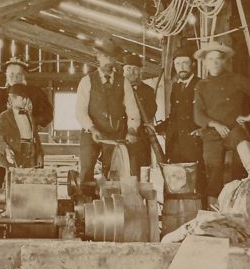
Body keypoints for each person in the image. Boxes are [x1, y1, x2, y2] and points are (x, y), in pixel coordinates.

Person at [193, 41, 250, 206]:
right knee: (213, 174)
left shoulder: (236, 79)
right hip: (212, 135)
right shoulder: (201, 85)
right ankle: (212, 214)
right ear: (205, 62)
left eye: (218, 59)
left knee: (241, 147)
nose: (214, 63)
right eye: (210, 59)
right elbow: (198, 115)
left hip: (233, 130)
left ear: (224, 61)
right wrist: (214, 124)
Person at [75, 38, 141, 183]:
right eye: (105, 56)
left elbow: (132, 111)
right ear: (97, 57)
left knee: (113, 173)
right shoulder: (87, 81)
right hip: (91, 133)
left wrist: (132, 130)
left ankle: (111, 203)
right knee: (86, 169)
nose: (108, 61)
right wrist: (92, 129)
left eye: (111, 57)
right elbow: (80, 112)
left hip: (115, 134)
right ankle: (86, 201)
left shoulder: (123, 82)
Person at [155, 44, 205, 187]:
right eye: (177, 63)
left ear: (193, 64)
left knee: (196, 183)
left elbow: (212, 113)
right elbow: (174, 116)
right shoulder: (176, 87)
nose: (181, 67)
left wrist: (203, 130)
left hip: (194, 143)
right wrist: (158, 128)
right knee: (175, 184)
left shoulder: (201, 84)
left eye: (185, 63)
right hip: (175, 144)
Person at [0, 57, 54, 129]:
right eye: (11, 75)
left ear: (23, 76)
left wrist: (31, 121)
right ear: (7, 76)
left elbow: (48, 114)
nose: (15, 78)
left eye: (18, 74)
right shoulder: (0, 94)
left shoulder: (36, 93)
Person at [0, 84, 44, 170]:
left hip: (31, 156)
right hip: (15, 156)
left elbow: (35, 136)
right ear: (13, 98)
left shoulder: (29, 115)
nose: (25, 101)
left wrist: (39, 154)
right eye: (22, 98)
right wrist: (6, 149)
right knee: (14, 182)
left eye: (26, 98)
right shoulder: (5, 116)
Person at [122, 52, 158, 170]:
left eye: (135, 69)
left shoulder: (148, 91)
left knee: (141, 171)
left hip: (141, 138)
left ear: (140, 71)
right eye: (129, 69)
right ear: (123, 71)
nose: (132, 72)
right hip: (120, 135)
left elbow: (151, 112)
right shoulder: (116, 90)